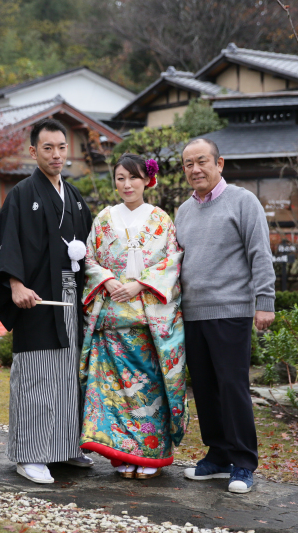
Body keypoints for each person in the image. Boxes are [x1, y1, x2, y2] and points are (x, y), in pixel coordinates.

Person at [0, 118, 94, 484]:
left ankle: (66, 447)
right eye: (47, 148)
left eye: (61, 147)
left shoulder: (75, 195)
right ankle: (29, 453)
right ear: (33, 151)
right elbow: (7, 242)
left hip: (71, 296)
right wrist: (15, 285)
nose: (56, 155)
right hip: (36, 299)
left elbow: (89, 247)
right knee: (38, 375)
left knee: (68, 374)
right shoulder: (21, 194)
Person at [175, 138, 276, 494]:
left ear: (220, 163)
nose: (195, 169)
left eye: (201, 161)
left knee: (232, 388)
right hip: (193, 314)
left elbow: (260, 253)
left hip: (231, 310)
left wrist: (265, 301)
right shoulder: (183, 210)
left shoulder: (243, 201)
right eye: (188, 164)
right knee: (203, 388)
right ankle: (217, 456)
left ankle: (244, 463)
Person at [79, 153, 187, 480]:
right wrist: (108, 281)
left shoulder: (161, 219)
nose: (127, 185)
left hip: (147, 322)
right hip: (111, 319)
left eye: (134, 178)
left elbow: (172, 261)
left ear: (147, 180)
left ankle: (150, 453)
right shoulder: (103, 219)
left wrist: (140, 284)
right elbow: (89, 258)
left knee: (148, 389)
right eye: (120, 178)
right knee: (114, 391)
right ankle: (122, 453)